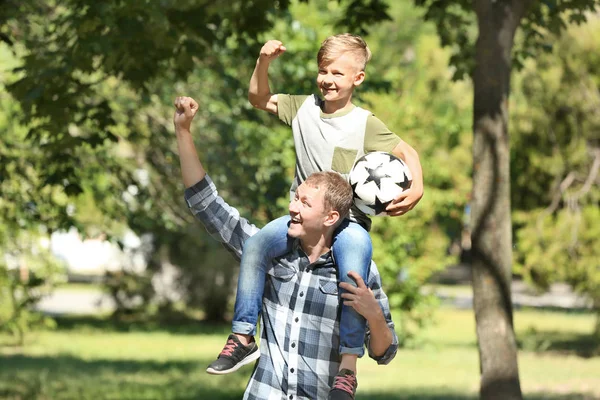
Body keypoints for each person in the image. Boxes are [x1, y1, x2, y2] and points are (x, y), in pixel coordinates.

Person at [209, 33, 423, 398]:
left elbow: (408, 152)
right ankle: (244, 335)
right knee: (258, 244)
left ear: (358, 78)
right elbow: (258, 98)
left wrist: (416, 187)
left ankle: (348, 367)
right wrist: (263, 61)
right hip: (303, 216)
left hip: (348, 223)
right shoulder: (302, 108)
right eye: (324, 70)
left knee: (353, 277)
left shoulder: (365, 123)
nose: (328, 79)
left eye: (338, 73)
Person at [174, 96, 399, 400]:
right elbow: (207, 205)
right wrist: (183, 131)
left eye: (305, 203)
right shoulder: (267, 252)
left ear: (331, 217)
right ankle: (242, 342)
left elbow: (385, 352)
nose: (292, 208)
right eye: (296, 198)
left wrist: (373, 314)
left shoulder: (358, 267)